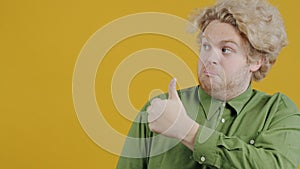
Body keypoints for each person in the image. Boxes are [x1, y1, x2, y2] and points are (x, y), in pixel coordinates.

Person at [116, 0, 300, 168]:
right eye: (206, 46)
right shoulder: (159, 109)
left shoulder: (278, 112)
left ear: (256, 60)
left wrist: (188, 131)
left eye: (226, 49)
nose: (209, 58)